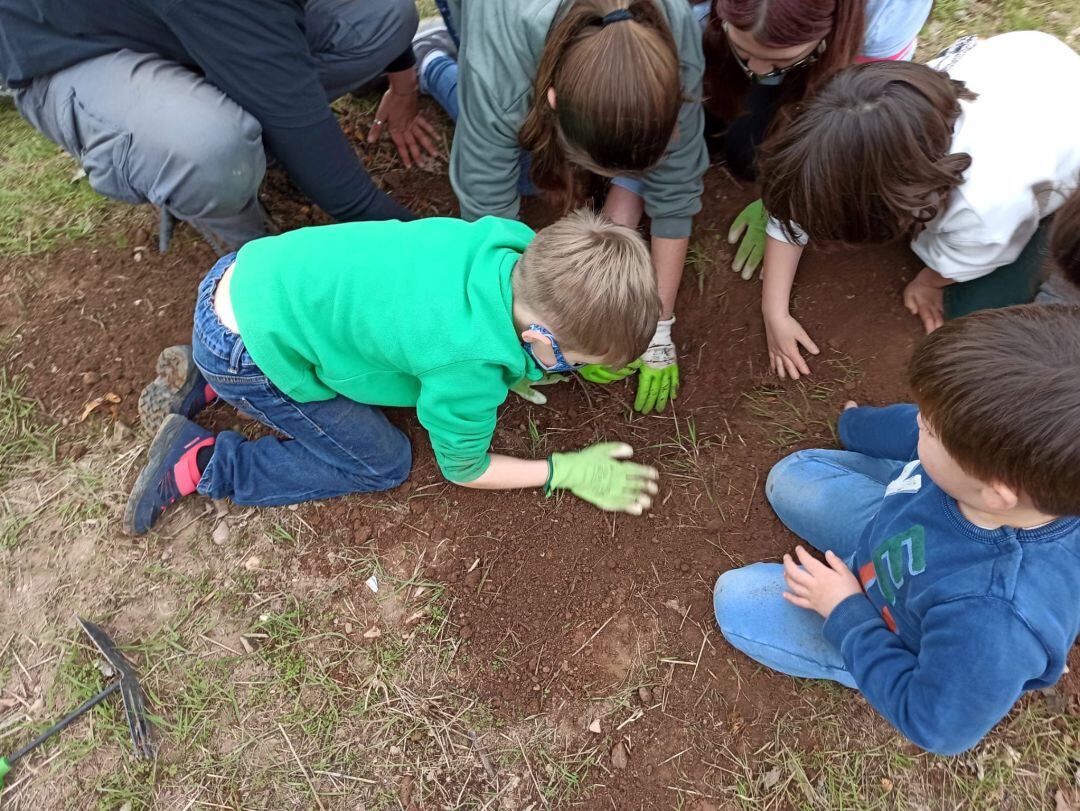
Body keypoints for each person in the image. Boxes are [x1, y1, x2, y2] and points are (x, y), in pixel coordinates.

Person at [124, 211, 662, 535]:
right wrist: (562, 471)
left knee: (344, 339)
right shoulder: (467, 372)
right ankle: (207, 460)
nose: (573, 374)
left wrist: (543, 361)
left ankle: (209, 375)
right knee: (383, 463)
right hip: (251, 350)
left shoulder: (506, 242)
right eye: (575, 365)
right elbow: (464, 469)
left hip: (248, 278)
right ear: (538, 340)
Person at [713, 304, 1080, 755]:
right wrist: (855, 425)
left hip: (888, 623)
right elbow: (908, 429)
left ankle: (851, 657)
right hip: (888, 527)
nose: (918, 421)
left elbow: (936, 724)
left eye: (929, 426)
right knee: (789, 476)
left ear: (994, 492)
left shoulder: (994, 620)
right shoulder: (992, 458)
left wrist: (846, 612)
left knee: (734, 600)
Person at [411, 0, 709, 414]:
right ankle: (432, 59)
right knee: (519, 165)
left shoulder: (672, 32)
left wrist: (659, 327)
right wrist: (532, 331)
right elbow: (488, 215)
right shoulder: (501, 73)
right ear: (553, 99)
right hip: (491, 19)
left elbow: (677, 188)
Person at [757, 32, 1080, 380]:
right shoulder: (891, 107)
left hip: (1058, 161)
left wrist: (928, 282)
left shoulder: (984, 205)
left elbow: (976, 256)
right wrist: (774, 311)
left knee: (972, 312)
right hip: (1034, 66)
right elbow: (808, 189)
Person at [0, 0, 439, 251]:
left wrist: (403, 81)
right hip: (69, 49)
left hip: (175, 17)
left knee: (384, 18)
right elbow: (352, 202)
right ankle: (251, 256)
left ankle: (252, 137)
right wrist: (432, 246)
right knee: (211, 150)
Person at [698, 0, 932, 279]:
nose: (758, 71)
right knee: (722, 128)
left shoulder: (889, 13)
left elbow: (853, 107)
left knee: (751, 158)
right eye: (746, 54)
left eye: (777, 61)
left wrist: (783, 200)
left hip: (839, 63)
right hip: (772, 40)